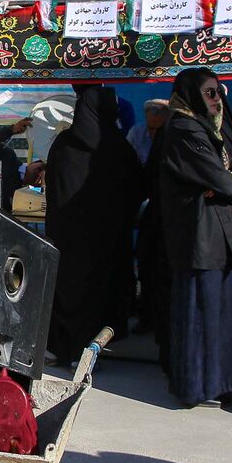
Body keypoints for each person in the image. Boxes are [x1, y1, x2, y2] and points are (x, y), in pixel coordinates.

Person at [158, 67, 232, 407]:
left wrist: (230, 181)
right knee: (201, 314)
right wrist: (227, 182)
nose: (216, 99)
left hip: (214, 235)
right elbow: (223, 181)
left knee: (219, 314)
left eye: (218, 92)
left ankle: (220, 383)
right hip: (201, 237)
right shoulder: (184, 128)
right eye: (209, 93)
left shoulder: (205, 129)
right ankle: (199, 387)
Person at [44, 85, 144, 366]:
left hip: (64, 234)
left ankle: (57, 347)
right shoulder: (117, 148)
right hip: (102, 238)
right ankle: (83, 352)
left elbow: (51, 185)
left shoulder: (63, 143)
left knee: (64, 288)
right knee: (94, 293)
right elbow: (137, 188)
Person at [126, 98, 170, 165]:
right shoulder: (136, 132)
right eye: (151, 128)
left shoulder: (174, 135)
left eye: (159, 129)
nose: (155, 133)